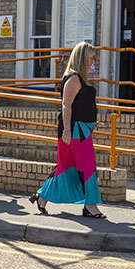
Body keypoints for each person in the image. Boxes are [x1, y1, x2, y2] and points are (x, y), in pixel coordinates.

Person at [29, 41, 106, 218]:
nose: (93, 61)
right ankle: (90, 206)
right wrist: (67, 130)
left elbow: (81, 105)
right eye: (91, 57)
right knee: (86, 167)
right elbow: (66, 105)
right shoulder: (73, 78)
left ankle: (41, 197)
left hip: (82, 129)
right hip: (74, 130)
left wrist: (92, 122)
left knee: (67, 167)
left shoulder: (81, 78)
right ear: (83, 57)